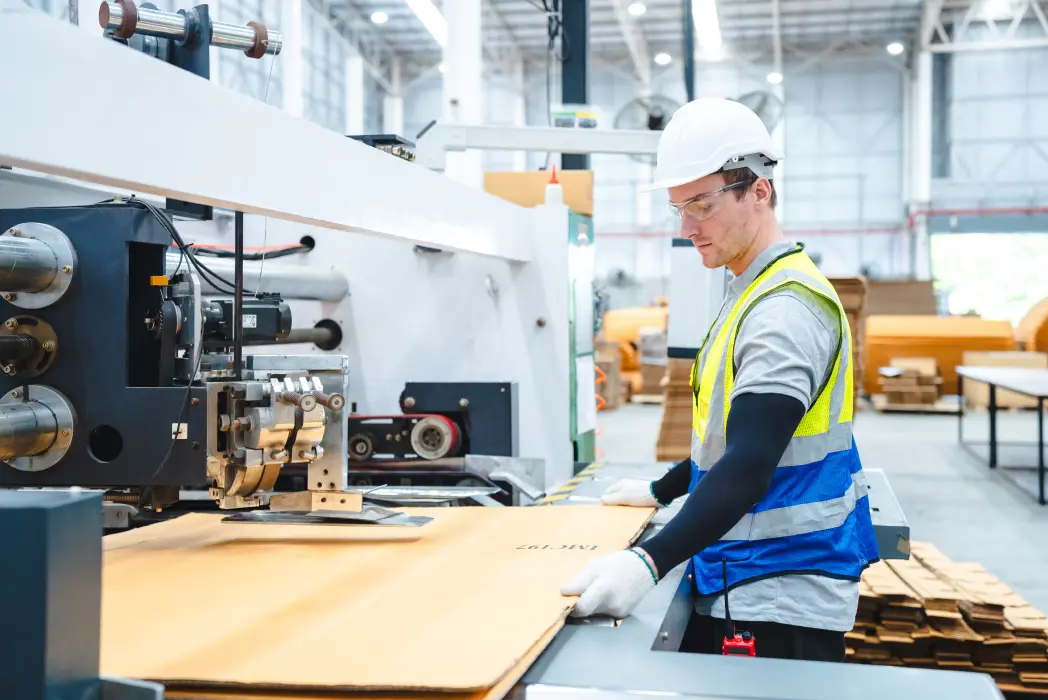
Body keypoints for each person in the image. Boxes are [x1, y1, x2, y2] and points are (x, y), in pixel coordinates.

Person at [560, 97, 879, 663]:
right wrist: (663, 490)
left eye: (701, 205)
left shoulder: (783, 310)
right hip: (753, 568)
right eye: (678, 207)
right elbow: (736, 441)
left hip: (777, 586)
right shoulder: (750, 290)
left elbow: (751, 463)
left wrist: (647, 562)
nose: (686, 228)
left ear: (758, 190)